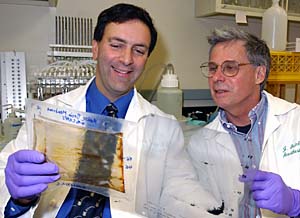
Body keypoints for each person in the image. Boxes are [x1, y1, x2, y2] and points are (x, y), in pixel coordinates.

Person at [0, 3, 219, 218]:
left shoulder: (165, 127)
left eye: (139, 50)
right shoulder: (49, 112)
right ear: (95, 48)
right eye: (116, 45)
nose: (127, 59)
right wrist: (20, 199)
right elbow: (5, 176)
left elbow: (181, 190)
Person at [187, 27, 300, 218]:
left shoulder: (295, 122)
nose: (216, 77)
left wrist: (295, 203)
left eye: (230, 68)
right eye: (213, 68)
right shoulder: (199, 145)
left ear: (259, 74)